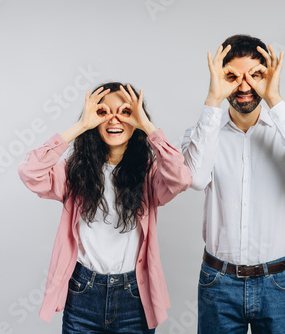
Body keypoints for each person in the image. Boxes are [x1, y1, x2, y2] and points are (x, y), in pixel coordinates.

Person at [181, 34, 285, 333]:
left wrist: (275, 98)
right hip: (218, 283)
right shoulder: (202, 134)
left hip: (278, 282)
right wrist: (213, 99)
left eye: (256, 75)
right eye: (232, 76)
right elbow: (195, 179)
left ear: (269, 76)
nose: (245, 86)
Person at [18, 82, 192, 333]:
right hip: (82, 293)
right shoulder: (73, 172)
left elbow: (182, 178)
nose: (114, 119)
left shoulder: (150, 174)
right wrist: (79, 127)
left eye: (125, 112)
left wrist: (148, 127)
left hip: (135, 296)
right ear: (93, 121)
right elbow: (29, 172)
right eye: (103, 113)